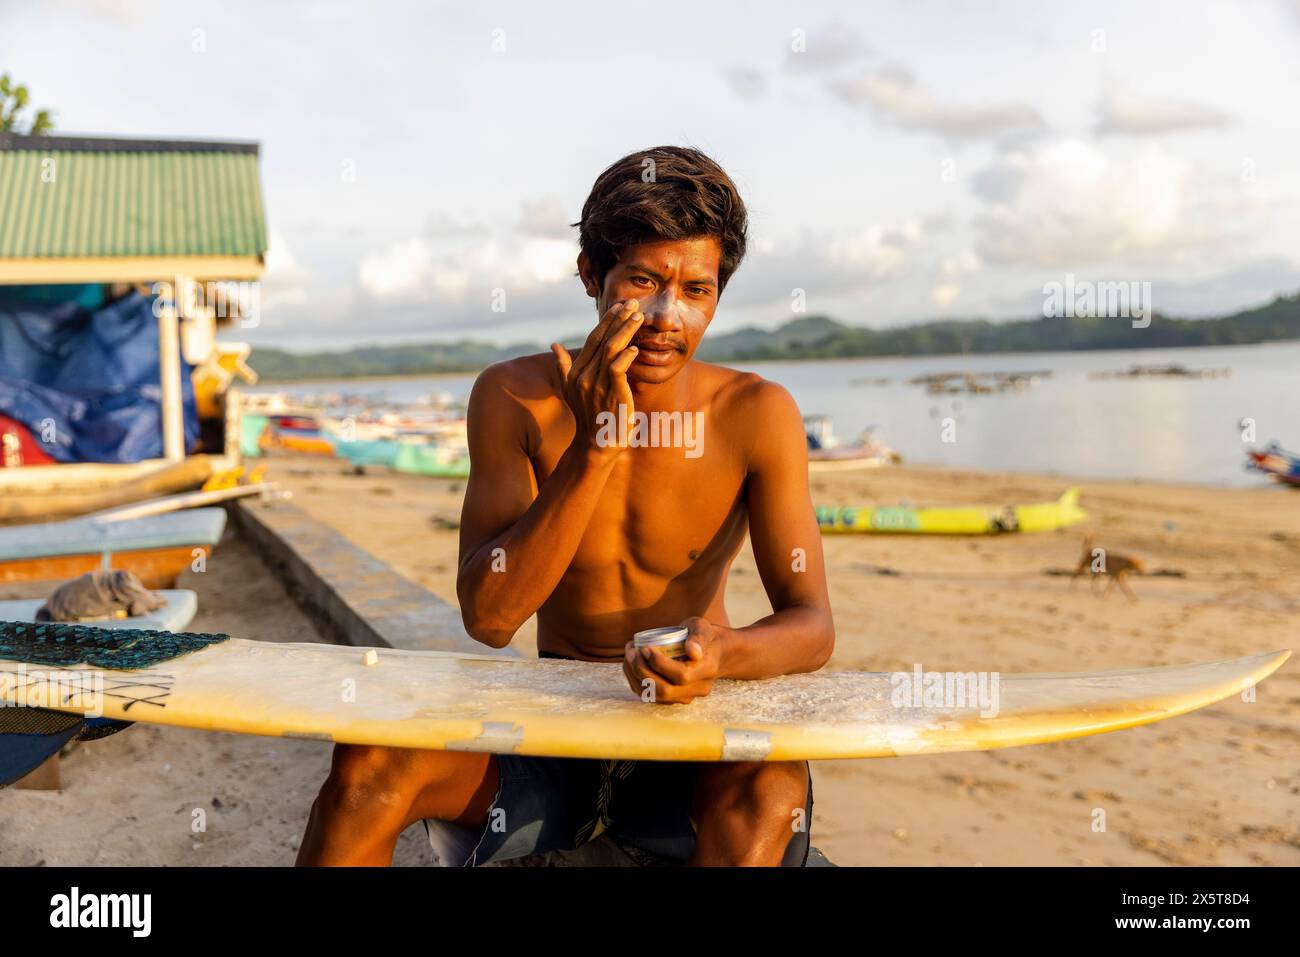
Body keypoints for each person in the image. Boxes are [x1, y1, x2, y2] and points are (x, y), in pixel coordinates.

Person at [297, 146, 835, 866]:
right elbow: (490, 619)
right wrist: (594, 446)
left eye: (696, 290)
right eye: (642, 281)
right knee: (369, 763)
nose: (667, 316)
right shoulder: (514, 397)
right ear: (590, 274)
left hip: (692, 727)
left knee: (771, 788)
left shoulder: (755, 412)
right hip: (555, 729)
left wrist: (721, 652)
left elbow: (812, 623)